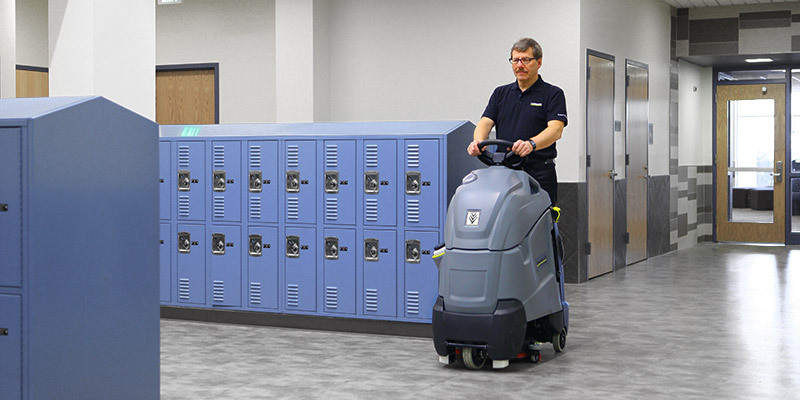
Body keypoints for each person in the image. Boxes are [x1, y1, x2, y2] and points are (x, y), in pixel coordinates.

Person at [467, 37, 567, 205]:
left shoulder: (553, 94)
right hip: (505, 172)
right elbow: (485, 122)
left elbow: (556, 130)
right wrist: (478, 141)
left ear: (539, 62)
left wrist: (531, 144)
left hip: (539, 172)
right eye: (516, 60)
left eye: (526, 60)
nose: (520, 65)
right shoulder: (500, 93)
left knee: (541, 222)